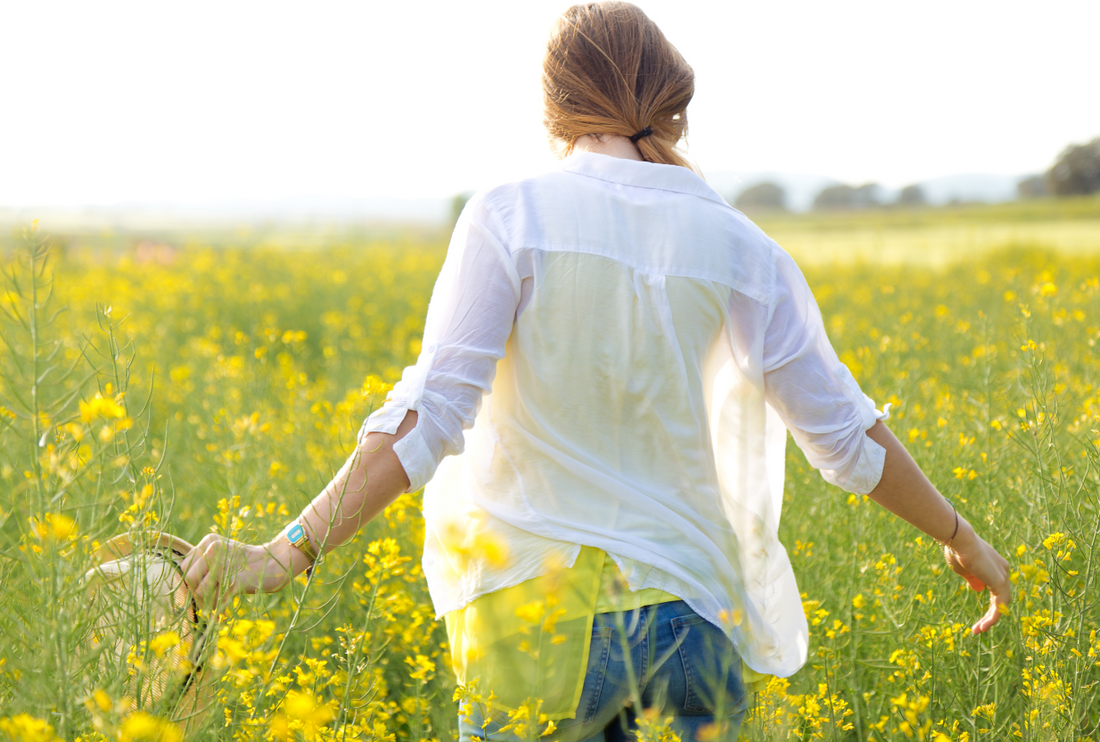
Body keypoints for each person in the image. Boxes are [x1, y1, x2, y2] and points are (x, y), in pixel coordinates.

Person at [182, 3, 1012, 740]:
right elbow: (846, 436)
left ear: (555, 111)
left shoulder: (513, 216)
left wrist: (282, 552)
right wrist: (962, 538)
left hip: (532, 626)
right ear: (674, 108)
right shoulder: (742, 246)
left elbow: (428, 416)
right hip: (694, 627)